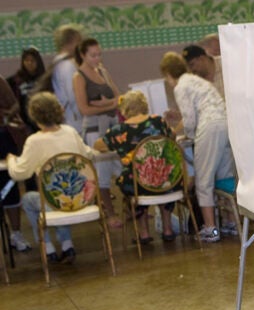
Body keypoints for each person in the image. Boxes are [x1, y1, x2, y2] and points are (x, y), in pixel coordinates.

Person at [7, 92, 96, 264]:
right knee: (61, 194)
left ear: (33, 115)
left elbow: (20, 173)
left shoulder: (34, 141)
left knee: (30, 199)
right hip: (80, 198)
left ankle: (47, 247)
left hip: (54, 203)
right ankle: (67, 245)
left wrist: (12, 160)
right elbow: (88, 155)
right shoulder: (70, 132)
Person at [159, 51, 236, 242]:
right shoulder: (197, 81)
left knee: (203, 181)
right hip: (226, 124)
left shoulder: (180, 86)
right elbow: (198, 109)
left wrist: (189, 136)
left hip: (209, 127)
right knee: (225, 176)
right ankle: (231, 222)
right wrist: (181, 118)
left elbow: (190, 120)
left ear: (168, 74)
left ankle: (211, 229)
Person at [93, 90, 177, 243]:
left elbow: (98, 145)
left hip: (138, 182)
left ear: (124, 109)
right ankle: (167, 229)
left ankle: (144, 233)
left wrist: (118, 147)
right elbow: (172, 137)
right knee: (163, 180)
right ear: (144, 105)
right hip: (165, 178)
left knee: (132, 184)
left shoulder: (119, 130)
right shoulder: (159, 122)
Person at [72, 37, 122, 229]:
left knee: (122, 168)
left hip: (112, 127)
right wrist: (108, 105)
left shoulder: (102, 71)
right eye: (93, 55)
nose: (97, 58)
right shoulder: (79, 77)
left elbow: (120, 98)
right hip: (94, 130)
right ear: (83, 55)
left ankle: (130, 206)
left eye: (99, 54)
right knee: (101, 174)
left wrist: (104, 104)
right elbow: (84, 109)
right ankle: (110, 213)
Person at [0, 78, 33, 251]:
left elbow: (14, 106)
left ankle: (16, 233)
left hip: (3, 138)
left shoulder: (0, 82)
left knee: (10, 187)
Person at [51, 24, 83, 134]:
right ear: (73, 41)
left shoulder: (57, 63)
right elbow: (73, 95)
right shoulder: (67, 65)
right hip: (74, 120)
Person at [7, 46, 45, 133]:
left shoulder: (43, 79)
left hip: (41, 119)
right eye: (26, 60)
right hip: (24, 121)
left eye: (32, 61)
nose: (29, 63)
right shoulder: (16, 79)